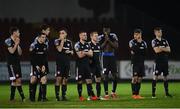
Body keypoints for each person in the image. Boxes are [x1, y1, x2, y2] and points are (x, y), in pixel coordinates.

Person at [74, 31, 98, 101]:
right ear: (80, 36)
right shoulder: (77, 44)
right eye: (84, 35)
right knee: (80, 81)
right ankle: (80, 96)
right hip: (79, 65)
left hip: (87, 65)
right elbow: (80, 55)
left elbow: (91, 54)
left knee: (89, 80)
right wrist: (87, 52)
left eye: (86, 35)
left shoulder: (88, 44)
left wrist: (84, 52)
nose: (85, 36)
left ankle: (91, 96)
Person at [5, 27, 25, 101]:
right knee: (15, 80)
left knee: (17, 80)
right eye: (18, 32)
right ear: (14, 33)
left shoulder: (17, 40)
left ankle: (12, 98)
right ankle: (22, 98)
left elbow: (20, 53)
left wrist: (18, 44)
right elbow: (12, 51)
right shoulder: (8, 41)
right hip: (11, 64)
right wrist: (16, 44)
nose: (19, 33)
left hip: (17, 63)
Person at [151, 27, 172, 98]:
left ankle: (167, 93)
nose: (160, 33)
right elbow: (156, 50)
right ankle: (153, 94)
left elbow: (169, 50)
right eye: (159, 32)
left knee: (165, 77)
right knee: (155, 76)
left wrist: (160, 48)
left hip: (165, 61)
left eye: (161, 32)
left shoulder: (165, 40)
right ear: (155, 33)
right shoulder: (154, 41)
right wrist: (164, 48)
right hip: (158, 62)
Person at [98, 26, 118, 99]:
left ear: (110, 29)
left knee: (115, 75)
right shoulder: (100, 37)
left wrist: (109, 40)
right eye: (105, 30)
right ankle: (106, 94)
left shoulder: (113, 36)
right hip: (104, 57)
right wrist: (105, 41)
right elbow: (100, 47)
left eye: (107, 29)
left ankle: (113, 92)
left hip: (112, 57)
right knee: (105, 76)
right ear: (103, 30)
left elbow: (116, 47)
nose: (106, 31)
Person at [54, 28, 73, 101]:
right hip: (59, 63)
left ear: (66, 34)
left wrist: (70, 52)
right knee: (58, 79)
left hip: (67, 63)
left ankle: (63, 95)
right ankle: (57, 96)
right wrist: (62, 40)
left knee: (65, 80)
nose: (61, 34)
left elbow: (72, 52)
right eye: (60, 33)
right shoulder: (56, 41)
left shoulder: (69, 42)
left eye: (62, 33)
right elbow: (59, 49)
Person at [33, 24, 50, 101]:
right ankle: (34, 96)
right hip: (37, 62)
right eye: (48, 30)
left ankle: (41, 97)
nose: (49, 31)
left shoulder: (46, 39)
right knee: (36, 79)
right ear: (43, 31)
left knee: (43, 79)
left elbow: (45, 52)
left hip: (44, 61)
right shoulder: (37, 39)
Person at [29, 33, 49, 102]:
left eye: (45, 38)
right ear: (39, 38)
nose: (44, 39)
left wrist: (43, 65)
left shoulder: (45, 45)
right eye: (43, 37)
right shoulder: (33, 45)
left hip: (42, 65)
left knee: (43, 79)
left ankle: (42, 98)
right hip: (35, 65)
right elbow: (31, 57)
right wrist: (36, 66)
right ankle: (32, 98)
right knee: (33, 79)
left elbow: (45, 57)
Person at [129, 29, 147, 99]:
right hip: (135, 62)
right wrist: (139, 47)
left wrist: (138, 49)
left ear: (140, 35)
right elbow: (133, 49)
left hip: (141, 63)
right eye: (135, 34)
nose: (136, 36)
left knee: (140, 79)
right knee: (134, 78)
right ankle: (134, 94)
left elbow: (145, 53)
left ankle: (137, 94)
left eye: (137, 34)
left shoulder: (144, 42)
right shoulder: (131, 42)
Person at [88, 31, 104, 100]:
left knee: (98, 80)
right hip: (91, 66)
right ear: (91, 37)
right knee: (90, 81)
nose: (97, 37)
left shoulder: (98, 45)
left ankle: (98, 96)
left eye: (97, 36)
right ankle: (90, 96)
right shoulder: (88, 44)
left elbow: (100, 56)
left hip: (98, 65)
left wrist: (100, 65)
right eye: (95, 36)